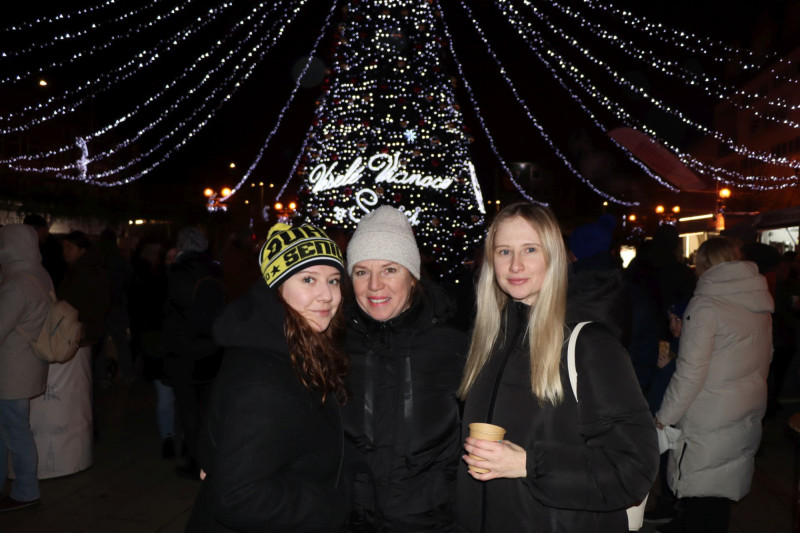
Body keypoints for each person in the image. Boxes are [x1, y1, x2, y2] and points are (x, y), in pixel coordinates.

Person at [456, 202, 658, 533]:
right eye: (504, 251)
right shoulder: (488, 342)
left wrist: (527, 464)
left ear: (554, 256)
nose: (516, 264)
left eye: (530, 249)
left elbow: (634, 468)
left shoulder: (590, 344)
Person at [187, 223, 350, 531]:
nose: (327, 295)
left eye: (333, 280)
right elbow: (240, 496)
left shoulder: (294, 346)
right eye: (308, 279)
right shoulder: (264, 376)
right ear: (277, 288)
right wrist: (335, 505)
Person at [341, 206, 467, 532]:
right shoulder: (336, 344)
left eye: (389, 269)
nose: (374, 285)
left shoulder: (452, 344)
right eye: (361, 272)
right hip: (349, 519)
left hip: (430, 522)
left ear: (412, 276)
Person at [655, 237, 773, 533]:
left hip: (709, 411)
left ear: (705, 265)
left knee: (701, 488)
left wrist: (664, 417)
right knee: (720, 486)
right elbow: (765, 354)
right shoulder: (758, 302)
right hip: (745, 404)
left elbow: (690, 372)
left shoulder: (705, 304)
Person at [29, 230, 109, 478]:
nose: (65, 253)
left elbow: (75, 304)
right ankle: (89, 431)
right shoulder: (83, 269)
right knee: (84, 383)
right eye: (63, 248)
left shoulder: (85, 272)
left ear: (82, 249)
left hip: (81, 333)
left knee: (82, 383)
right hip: (85, 332)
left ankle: (88, 431)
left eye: (70, 248)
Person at [160, 227, 225, 479]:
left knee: (188, 410)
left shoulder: (179, 271)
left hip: (185, 350)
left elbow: (174, 309)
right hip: (212, 347)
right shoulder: (215, 268)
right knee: (207, 408)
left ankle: (196, 464)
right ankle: (211, 457)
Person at [0, 225, 51, 512]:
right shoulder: (39, 273)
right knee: (11, 430)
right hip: (28, 366)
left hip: (11, 373)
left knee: (16, 433)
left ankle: (26, 491)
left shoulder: (16, 284)